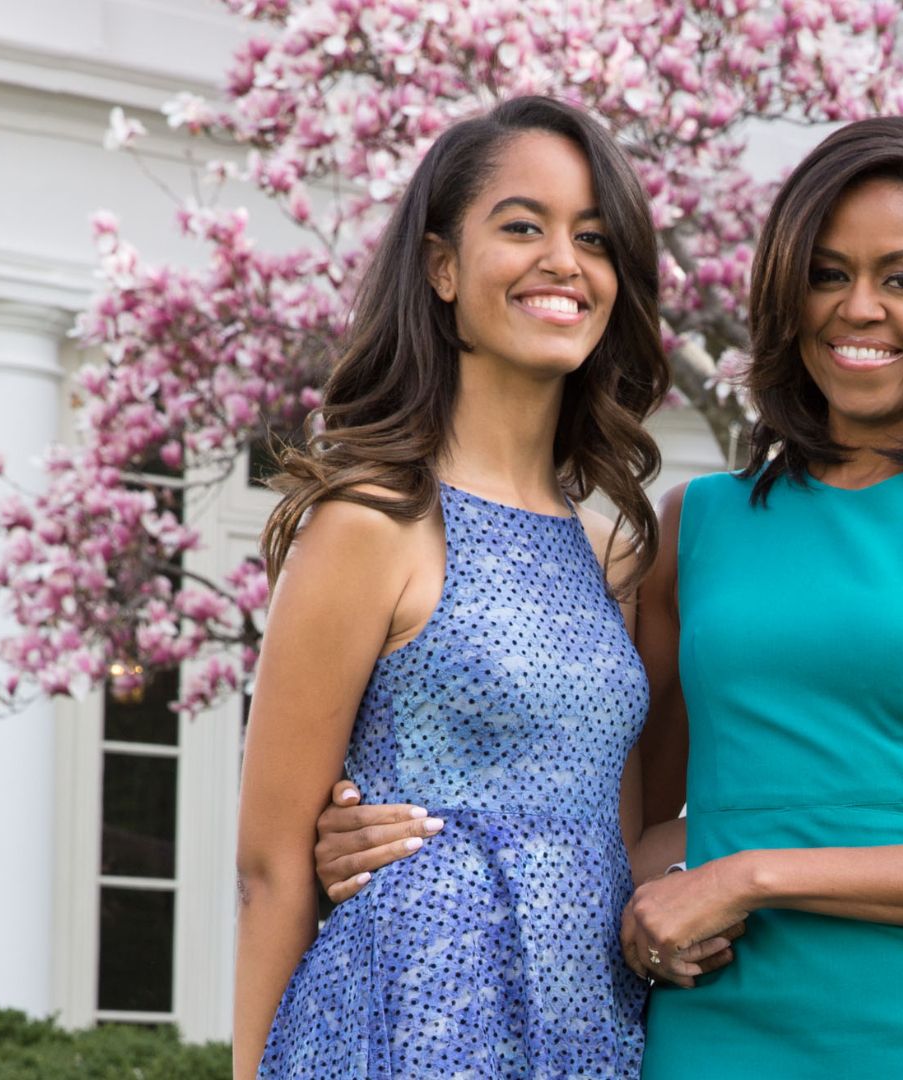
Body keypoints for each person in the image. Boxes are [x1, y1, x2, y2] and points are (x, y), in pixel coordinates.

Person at [311, 116, 903, 1078]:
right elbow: (615, 823)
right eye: (827, 274)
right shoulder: (693, 528)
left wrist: (752, 874)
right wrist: (406, 837)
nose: (856, 308)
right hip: (721, 1035)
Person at [233, 96, 687, 1077]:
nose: (563, 260)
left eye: (595, 238)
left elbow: (620, 837)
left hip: (584, 1026)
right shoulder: (371, 523)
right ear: (442, 266)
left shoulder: (614, 556)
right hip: (399, 1023)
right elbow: (271, 870)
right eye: (522, 226)